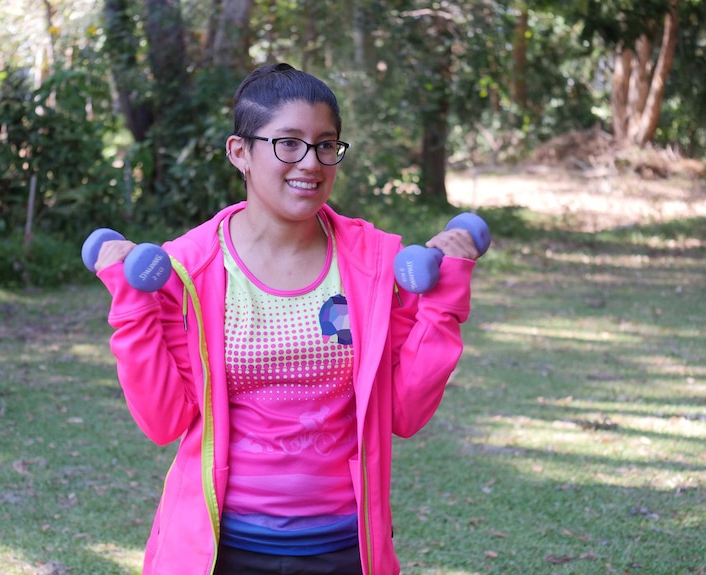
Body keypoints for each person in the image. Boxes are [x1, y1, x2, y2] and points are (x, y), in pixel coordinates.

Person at [93, 62, 480, 575]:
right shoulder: (188, 269)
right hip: (220, 548)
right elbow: (163, 421)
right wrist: (131, 301)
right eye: (288, 143)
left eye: (326, 144)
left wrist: (444, 298)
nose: (311, 162)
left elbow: (405, 412)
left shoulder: (373, 265)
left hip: (344, 545)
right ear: (240, 153)